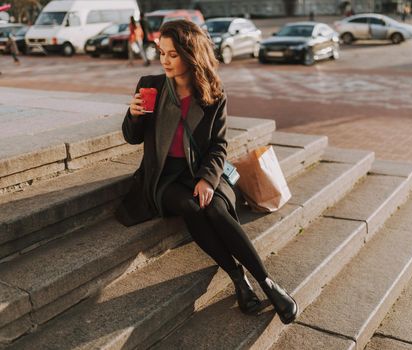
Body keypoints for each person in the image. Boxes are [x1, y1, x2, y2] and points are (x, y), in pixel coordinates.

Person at [115, 20, 298, 325]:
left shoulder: (212, 93)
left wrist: (206, 179)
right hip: (162, 176)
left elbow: (218, 144)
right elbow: (132, 137)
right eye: (162, 52)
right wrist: (133, 116)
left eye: (172, 54)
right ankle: (237, 276)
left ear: (190, 54)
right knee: (191, 206)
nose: (165, 60)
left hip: (198, 170)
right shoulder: (151, 86)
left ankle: (267, 283)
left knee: (213, 207)